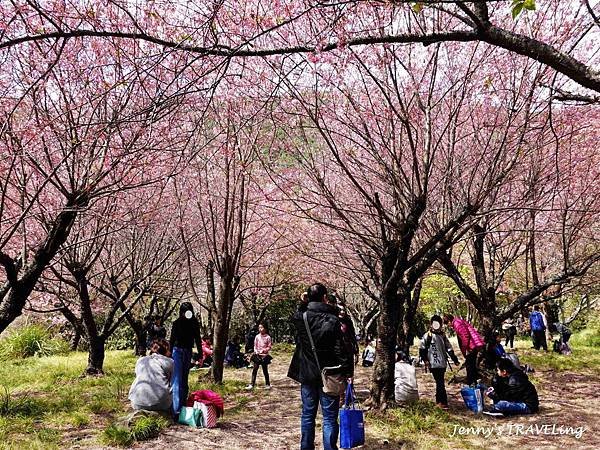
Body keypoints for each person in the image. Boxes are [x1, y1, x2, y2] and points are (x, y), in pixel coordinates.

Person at [288, 283, 352, 450]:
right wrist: (347, 372)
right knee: (330, 418)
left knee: (307, 415)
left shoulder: (302, 317)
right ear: (325, 298)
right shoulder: (332, 320)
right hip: (329, 376)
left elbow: (295, 316)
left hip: (307, 375)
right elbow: (341, 349)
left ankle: (306, 447)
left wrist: (303, 303)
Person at [169, 302, 202, 417]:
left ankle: (182, 409)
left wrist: (200, 354)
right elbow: (172, 340)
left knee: (184, 381)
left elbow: (198, 339)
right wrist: (169, 353)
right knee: (177, 380)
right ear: (181, 312)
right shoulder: (176, 323)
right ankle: (176, 411)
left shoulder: (194, 323)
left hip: (188, 351)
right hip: (177, 351)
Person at [419, 315, 459, 410]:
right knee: (440, 382)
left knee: (439, 382)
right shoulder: (427, 336)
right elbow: (422, 349)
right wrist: (425, 361)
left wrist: (455, 359)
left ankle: (441, 402)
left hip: (442, 364)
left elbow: (449, 348)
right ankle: (442, 402)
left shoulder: (442, 336)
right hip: (433, 364)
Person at [128, 339, 173, 412]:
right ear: (166, 349)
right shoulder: (169, 362)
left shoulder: (140, 360)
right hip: (161, 404)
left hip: (137, 403)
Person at [443, 314, 484, 386]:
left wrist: (465, 348)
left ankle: (472, 383)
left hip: (471, 346)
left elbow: (465, 336)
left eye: (447, 324)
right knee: (471, 365)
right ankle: (474, 382)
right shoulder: (458, 322)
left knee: (469, 366)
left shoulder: (457, 324)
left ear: (449, 321)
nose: (448, 326)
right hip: (472, 346)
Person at [246, 323, 273, 390]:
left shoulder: (268, 337)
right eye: (259, 328)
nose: (260, 329)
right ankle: (252, 384)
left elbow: (269, 347)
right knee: (255, 369)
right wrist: (256, 351)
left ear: (265, 329)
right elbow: (255, 345)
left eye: (261, 327)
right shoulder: (257, 336)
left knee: (265, 370)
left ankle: (267, 384)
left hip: (264, 356)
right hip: (257, 356)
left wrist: (263, 351)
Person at [338, 305, 359, 373]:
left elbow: (352, 336)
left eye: (343, 310)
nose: (342, 312)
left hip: (348, 349)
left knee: (349, 373)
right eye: (340, 310)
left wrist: (356, 351)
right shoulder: (333, 321)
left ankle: (350, 383)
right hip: (338, 351)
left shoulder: (348, 321)